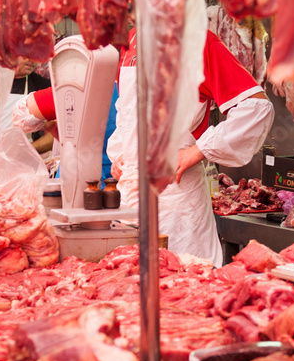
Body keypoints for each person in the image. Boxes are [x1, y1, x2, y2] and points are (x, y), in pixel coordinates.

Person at [108, 28, 274, 266]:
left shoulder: (198, 42)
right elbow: (127, 112)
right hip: (131, 201)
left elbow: (256, 108)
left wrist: (196, 152)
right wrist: (123, 153)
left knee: (186, 288)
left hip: (177, 204)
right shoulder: (130, 39)